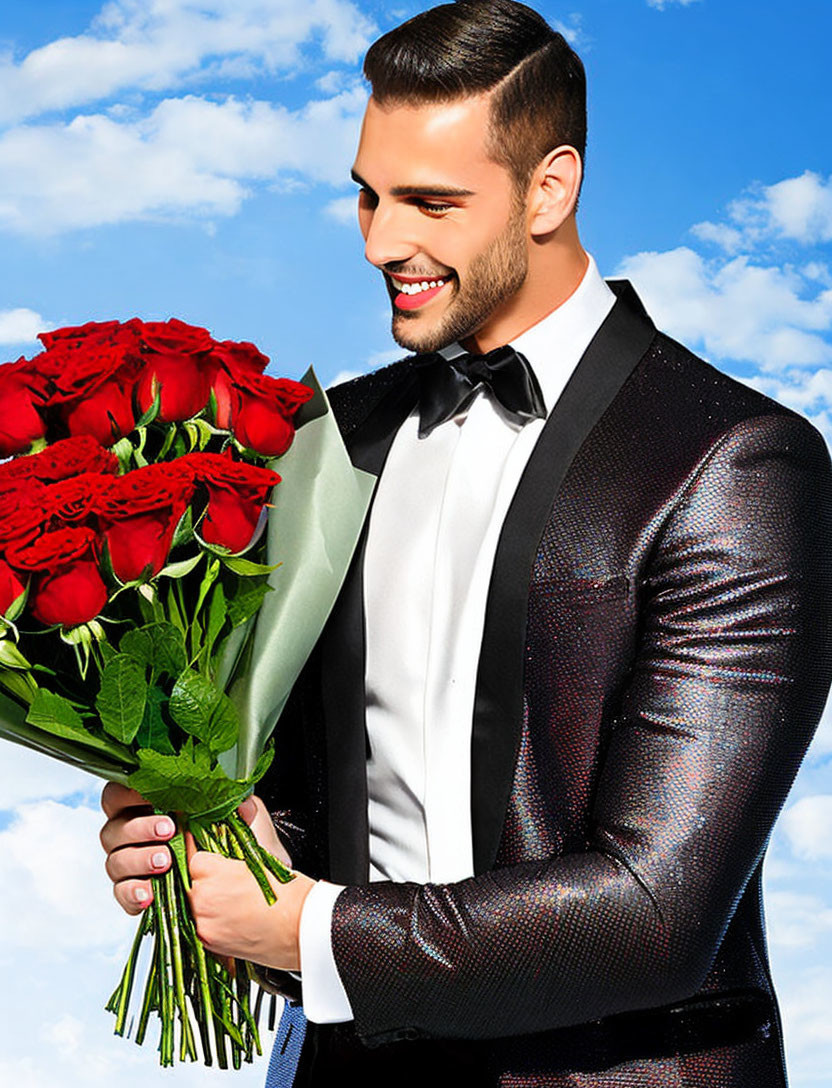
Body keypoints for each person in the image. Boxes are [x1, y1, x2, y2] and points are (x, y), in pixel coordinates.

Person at [99, 2, 832, 1084]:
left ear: (550, 188)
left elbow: (658, 908)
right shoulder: (328, 444)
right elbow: (314, 795)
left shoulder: (732, 459)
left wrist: (309, 929)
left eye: (430, 202)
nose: (380, 240)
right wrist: (214, 839)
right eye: (367, 192)